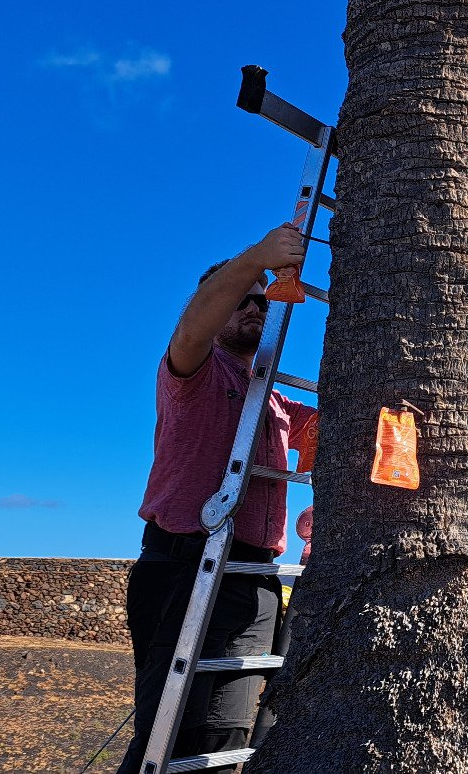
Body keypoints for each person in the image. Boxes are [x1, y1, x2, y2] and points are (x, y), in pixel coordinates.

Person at [116, 224, 316, 774]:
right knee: (176, 735)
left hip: (253, 574)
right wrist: (257, 259)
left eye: (261, 302)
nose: (253, 307)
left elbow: (329, 434)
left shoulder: (270, 401)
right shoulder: (193, 369)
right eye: (241, 299)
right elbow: (195, 325)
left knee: (226, 734)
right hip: (185, 564)